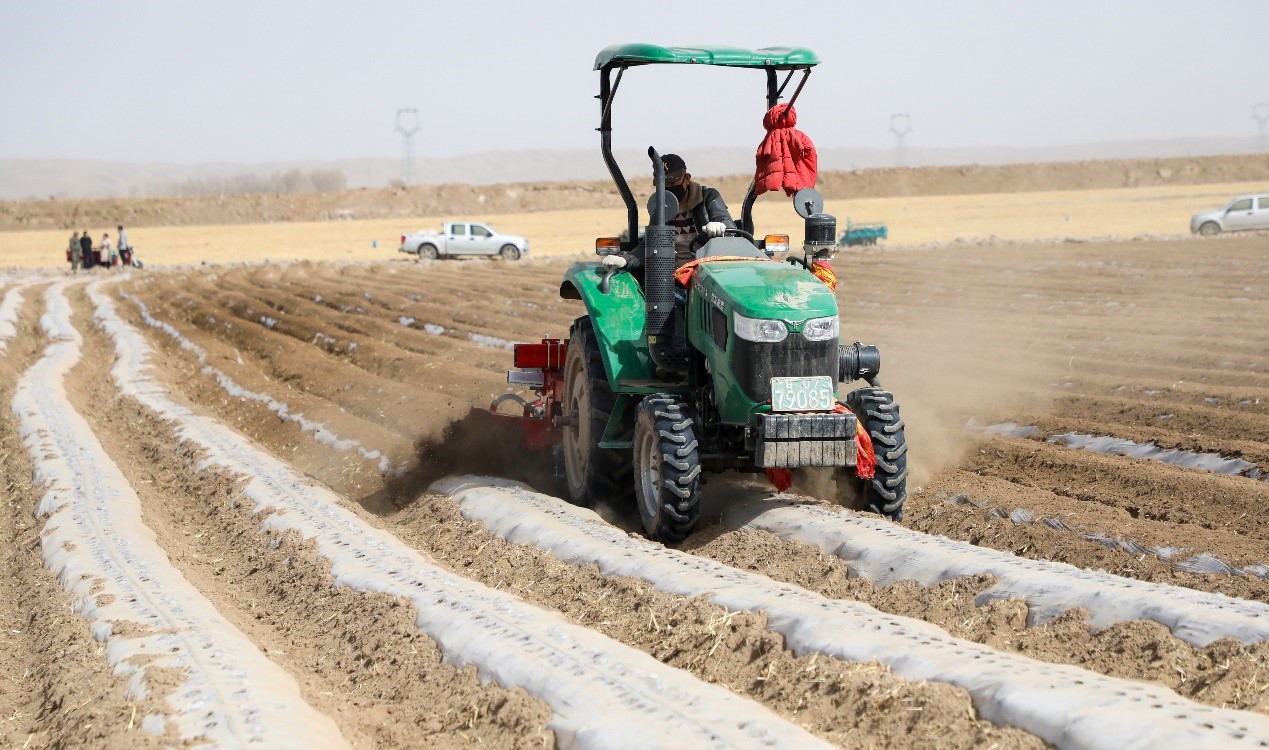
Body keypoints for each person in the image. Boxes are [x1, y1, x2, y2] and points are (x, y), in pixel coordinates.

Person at [604, 153, 737, 273]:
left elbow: (726, 223)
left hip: (706, 272)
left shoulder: (707, 197)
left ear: (687, 179)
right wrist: (626, 259)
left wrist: (719, 226)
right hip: (672, 275)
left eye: (673, 182)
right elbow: (651, 243)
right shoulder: (660, 205)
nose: (670, 188)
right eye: (664, 185)